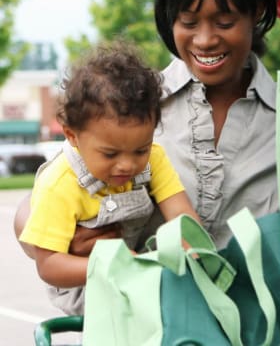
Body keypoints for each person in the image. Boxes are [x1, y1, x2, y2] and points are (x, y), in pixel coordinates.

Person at [15, 0, 278, 306]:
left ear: (257, 12)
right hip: (135, 321)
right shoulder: (129, 107)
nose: (205, 40)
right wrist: (68, 240)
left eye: (224, 22)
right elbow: (42, 205)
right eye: (188, 22)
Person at [18, 40, 200, 314]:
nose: (126, 165)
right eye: (110, 154)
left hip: (135, 269)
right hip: (83, 285)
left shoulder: (153, 160)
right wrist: (114, 262)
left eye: (140, 149)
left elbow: (181, 214)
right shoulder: (60, 183)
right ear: (72, 136)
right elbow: (49, 265)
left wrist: (194, 249)